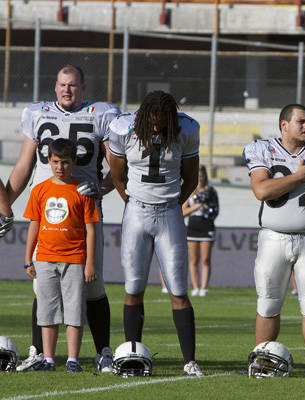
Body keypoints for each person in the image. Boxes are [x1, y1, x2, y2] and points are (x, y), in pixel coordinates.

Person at [7, 64, 118, 372]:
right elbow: (22, 168)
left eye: (73, 85)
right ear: (54, 87)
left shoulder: (101, 114)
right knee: (42, 288)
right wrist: (5, 205)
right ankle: (39, 352)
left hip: (82, 214)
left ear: (82, 87)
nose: (67, 90)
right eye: (62, 85)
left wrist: (102, 188)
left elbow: (117, 169)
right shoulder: (37, 113)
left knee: (92, 287)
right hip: (47, 214)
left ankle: (103, 351)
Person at [242, 103, 305, 377]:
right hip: (274, 237)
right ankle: (261, 360)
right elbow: (261, 190)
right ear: (284, 125)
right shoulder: (262, 149)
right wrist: (299, 177)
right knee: (268, 301)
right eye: (301, 121)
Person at [108, 90, 204, 377]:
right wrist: (134, 203)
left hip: (169, 212)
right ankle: (131, 354)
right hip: (136, 210)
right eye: (153, 117)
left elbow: (191, 176)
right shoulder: (123, 128)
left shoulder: (186, 128)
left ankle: (189, 361)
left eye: (163, 118)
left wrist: (173, 202)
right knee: (133, 287)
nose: (157, 124)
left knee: (178, 290)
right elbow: (116, 175)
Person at [23, 139, 100, 372]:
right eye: (56, 162)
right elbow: (34, 226)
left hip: (75, 260)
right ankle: (48, 359)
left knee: (75, 312)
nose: (60, 167)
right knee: (47, 311)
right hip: (44, 258)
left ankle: (73, 360)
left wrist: (89, 263)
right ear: (48, 161)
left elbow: (90, 229)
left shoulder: (82, 190)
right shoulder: (40, 190)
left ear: (74, 162)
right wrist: (28, 258)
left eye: (65, 162)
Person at [182, 164, 219, 297]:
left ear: (205, 176)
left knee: (205, 259)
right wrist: (197, 206)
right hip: (192, 228)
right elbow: (183, 212)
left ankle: (204, 288)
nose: (200, 178)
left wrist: (207, 211)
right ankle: (195, 287)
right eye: (197, 176)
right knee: (193, 260)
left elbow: (216, 211)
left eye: (202, 176)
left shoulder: (212, 191)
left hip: (207, 228)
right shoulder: (189, 191)